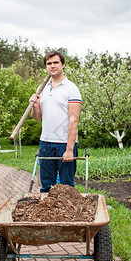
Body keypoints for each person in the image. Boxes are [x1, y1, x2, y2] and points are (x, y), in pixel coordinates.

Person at [30, 50, 82, 192]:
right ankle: (46, 213)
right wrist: (35, 106)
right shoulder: (42, 89)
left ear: (63, 64)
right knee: (46, 186)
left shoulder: (71, 89)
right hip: (46, 142)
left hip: (64, 143)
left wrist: (69, 150)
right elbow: (37, 117)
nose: (52, 66)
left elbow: (74, 120)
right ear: (46, 66)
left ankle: (68, 214)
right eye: (49, 63)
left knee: (66, 187)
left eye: (55, 63)